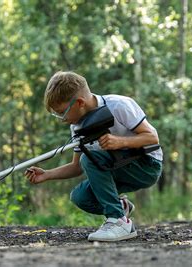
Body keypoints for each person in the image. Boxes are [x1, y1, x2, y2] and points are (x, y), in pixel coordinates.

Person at [24, 71, 163, 242]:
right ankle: (121, 208)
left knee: (89, 158)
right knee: (81, 197)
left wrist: (119, 142)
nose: (62, 119)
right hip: (116, 167)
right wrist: (47, 174)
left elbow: (152, 138)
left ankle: (118, 222)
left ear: (80, 103)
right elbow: (77, 167)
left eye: (62, 113)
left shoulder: (119, 105)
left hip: (146, 165)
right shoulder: (77, 127)